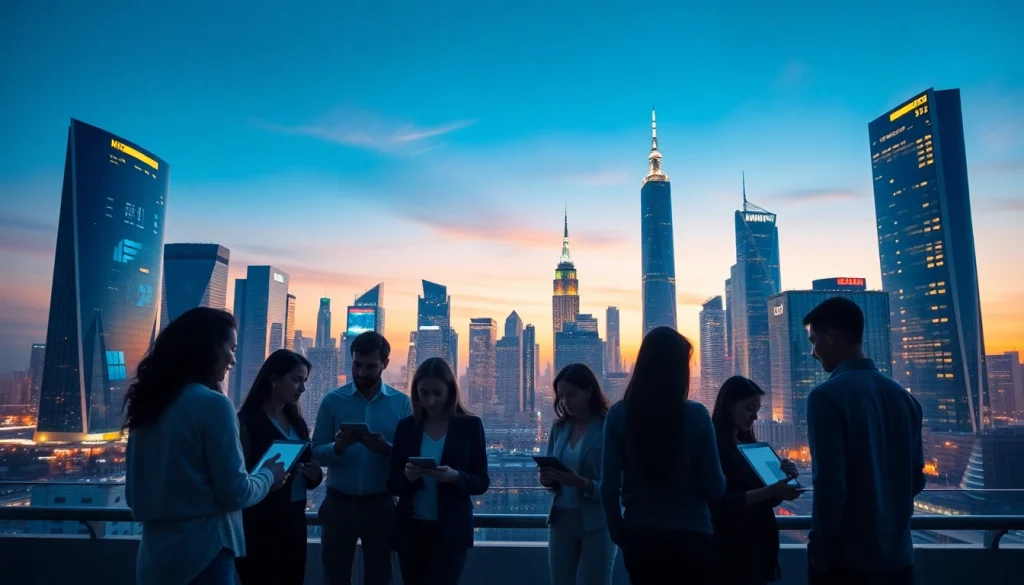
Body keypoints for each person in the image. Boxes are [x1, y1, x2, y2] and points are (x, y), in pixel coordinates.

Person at [124, 307, 287, 585]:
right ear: (208, 349)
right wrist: (269, 475)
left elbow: (134, 496)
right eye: (231, 348)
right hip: (204, 554)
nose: (233, 359)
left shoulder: (149, 404)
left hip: (155, 558)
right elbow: (235, 493)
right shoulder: (212, 404)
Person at [803, 297, 925, 585]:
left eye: (813, 340)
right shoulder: (904, 397)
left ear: (831, 338)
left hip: (847, 562)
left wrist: (819, 549)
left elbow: (830, 486)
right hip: (900, 559)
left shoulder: (826, 397)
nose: (812, 352)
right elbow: (916, 481)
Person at [600, 326, 726, 585]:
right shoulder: (697, 416)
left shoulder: (619, 415)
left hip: (640, 538)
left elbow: (608, 487)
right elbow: (714, 488)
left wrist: (618, 532)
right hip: (692, 537)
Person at [311, 331, 412, 585]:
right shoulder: (332, 401)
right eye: (357, 364)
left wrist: (386, 450)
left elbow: (409, 459)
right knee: (334, 576)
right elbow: (315, 453)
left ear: (385, 364)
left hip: (381, 505)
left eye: (371, 366)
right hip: (338, 505)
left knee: (380, 577)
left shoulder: (402, 404)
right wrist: (337, 448)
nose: (362, 373)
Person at [388, 357, 490, 585]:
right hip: (411, 530)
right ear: (415, 392)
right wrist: (407, 476)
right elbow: (392, 482)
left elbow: (481, 481)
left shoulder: (470, 426)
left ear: (450, 391)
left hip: (451, 531)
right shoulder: (406, 427)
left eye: (437, 393)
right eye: (424, 393)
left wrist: (455, 477)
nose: (430, 400)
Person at [236, 349, 325, 585]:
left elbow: (309, 468)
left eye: (304, 381)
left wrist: (314, 475)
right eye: (296, 379)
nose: (302, 388)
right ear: (274, 379)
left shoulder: (298, 422)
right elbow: (239, 476)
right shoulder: (247, 422)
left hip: (294, 520)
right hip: (259, 524)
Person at [710, 376, 801, 585]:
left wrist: (784, 480)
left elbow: (766, 501)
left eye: (757, 409)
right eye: (749, 408)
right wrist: (771, 491)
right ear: (729, 404)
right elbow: (720, 503)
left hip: (757, 550)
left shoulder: (748, 446)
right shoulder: (714, 447)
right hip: (732, 552)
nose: (754, 416)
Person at [539, 363, 616, 585]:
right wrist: (547, 479)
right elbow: (550, 474)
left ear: (589, 391)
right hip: (561, 520)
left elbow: (618, 485)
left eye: (571, 395)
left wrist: (582, 483)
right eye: (561, 396)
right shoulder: (559, 428)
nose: (565, 402)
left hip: (597, 521)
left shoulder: (608, 427)